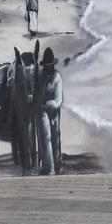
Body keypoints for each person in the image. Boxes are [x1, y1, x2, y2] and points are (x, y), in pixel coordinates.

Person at [36, 48, 63, 176]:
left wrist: (48, 104)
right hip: (43, 110)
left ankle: (57, 165)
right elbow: (38, 95)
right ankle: (49, 168)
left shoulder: (57, 77)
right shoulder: (41, 76)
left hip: (54, 110)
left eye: (50, 66)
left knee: (56, 138)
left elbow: (58, 100)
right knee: (46, 137)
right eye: (47, 67)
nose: (48, 69)